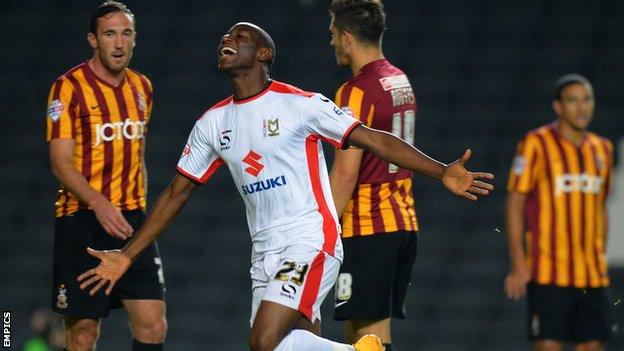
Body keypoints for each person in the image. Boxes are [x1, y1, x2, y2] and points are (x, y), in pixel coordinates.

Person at [77, 22, 493, 351]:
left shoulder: (301, 105)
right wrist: (127, 256)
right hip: (264, 251)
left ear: (263, 54)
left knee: (262, 341)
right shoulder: (212, 123)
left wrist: (441, 172)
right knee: (288, 347)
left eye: (239, 37)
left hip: (309, 238)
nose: (227, 39)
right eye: (224, 36)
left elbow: (374, 139)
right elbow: (175, 193)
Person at [46, 2, 166, 350]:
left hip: (130, 221)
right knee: (83, 331)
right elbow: (60, 162)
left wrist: (138, 208)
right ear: (93, 40)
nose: (118, 43)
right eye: (109, 33)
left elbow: (137, 155)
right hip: (81, 218)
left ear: (134, 39)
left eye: (126, 33)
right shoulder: (67, 88)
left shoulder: (143, 87)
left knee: (153, 323)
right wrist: (98, 203)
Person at [327, 1, 419, 349]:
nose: (332, 42)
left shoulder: (355, 90)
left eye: (334, 35)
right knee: (370, 336)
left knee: (366, 338)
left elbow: (345, 172)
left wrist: (323, 230)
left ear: (348, 38)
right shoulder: (399, 80)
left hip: (369, 225)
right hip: (402, 222)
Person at [504, 74, 613, 351]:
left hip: (592, 275)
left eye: (587, 99)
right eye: (573, 101)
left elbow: (601, 206)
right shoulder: (536, 144)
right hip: (549, 273)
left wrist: (600, 253)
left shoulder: (603, 149)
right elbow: (515, 203)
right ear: (558, 106)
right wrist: (519, 263)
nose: (581, 107)